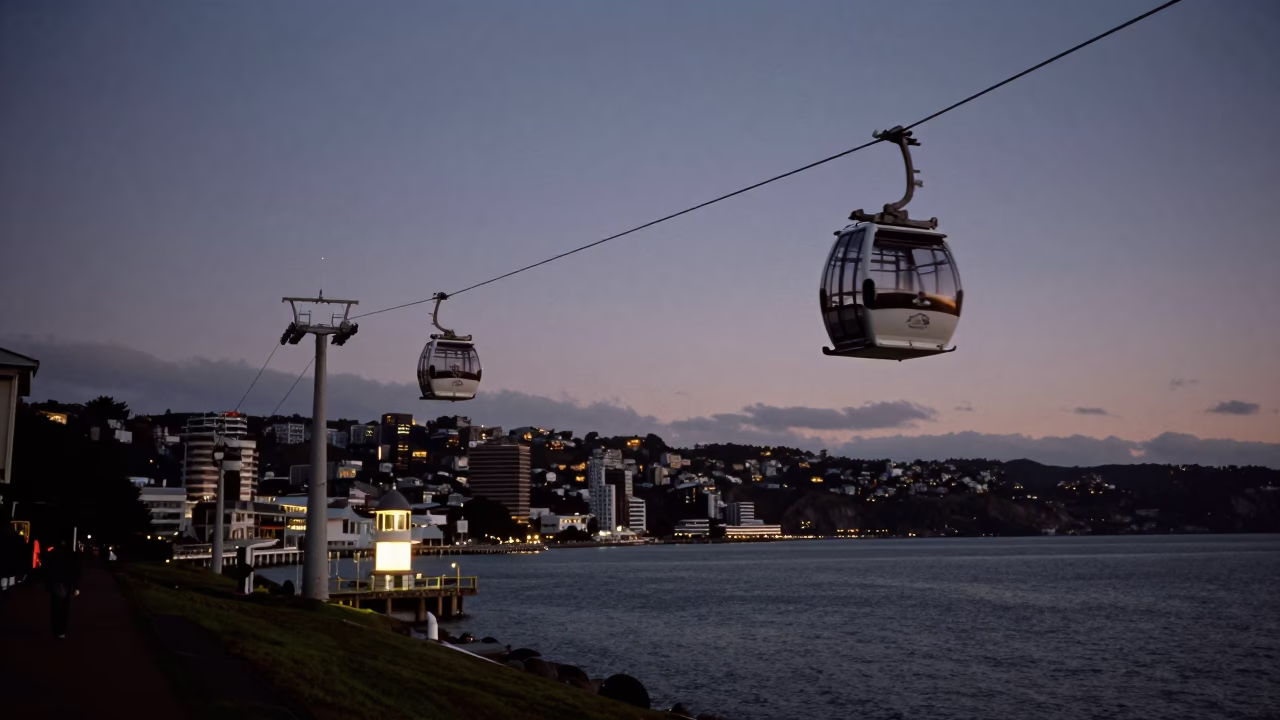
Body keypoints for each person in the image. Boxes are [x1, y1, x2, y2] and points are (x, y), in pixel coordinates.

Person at [42, 541, 82, 639]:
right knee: (65, 608)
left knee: (55, 608)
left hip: (55, 583)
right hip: (67, 583)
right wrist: (76, 586)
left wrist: (47, 584)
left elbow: (46, 569)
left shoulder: (52, 554)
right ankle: (61, 631)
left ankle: (56, 630)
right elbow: (76, 570)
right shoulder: (71, 555)